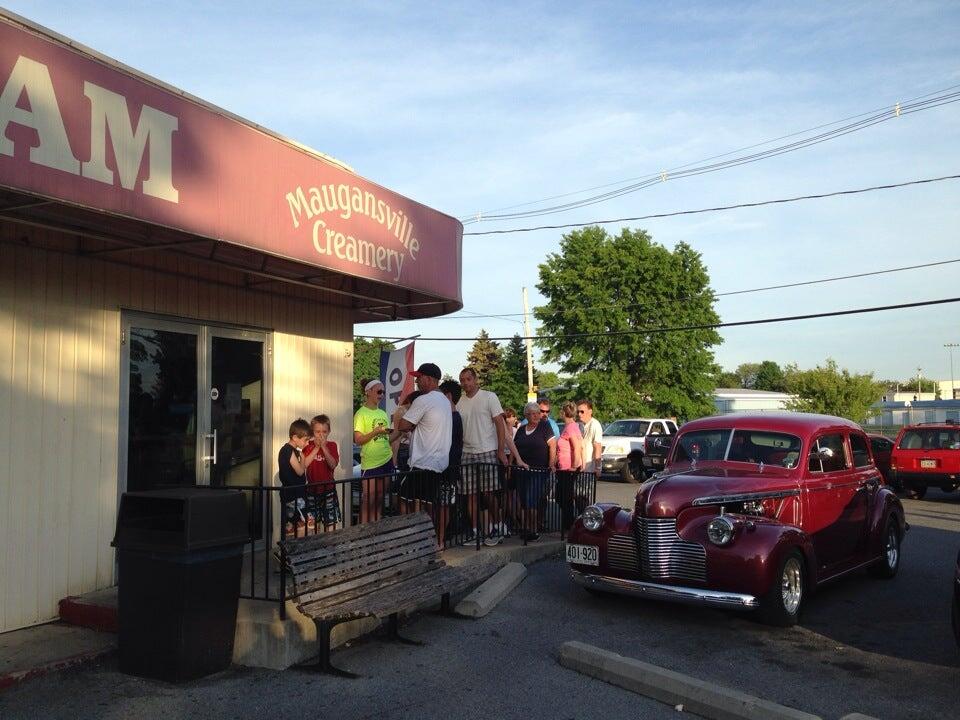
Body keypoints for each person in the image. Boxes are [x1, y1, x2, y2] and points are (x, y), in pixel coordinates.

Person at [456, 367, 524, 547]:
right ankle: (475, 531)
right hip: (467, 451)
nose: (465, 383)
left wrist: (500, 449)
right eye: (462, 380)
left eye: (468, 379)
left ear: (475, 379)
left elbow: (500, 425)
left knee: (488, 492)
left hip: (486, 449)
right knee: (469, 494)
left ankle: (497, 525)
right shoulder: (460, 402)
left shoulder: (489, 396)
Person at [390, 363, 454, 548]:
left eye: (419, 377)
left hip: (422, 462)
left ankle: (415, 541)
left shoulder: (424, 400)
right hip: (439, 462)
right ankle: (432, 542)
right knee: (429, 505)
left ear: (429, 379)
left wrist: (407, 416)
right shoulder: (444, 401)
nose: (417, 381)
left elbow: (402, 425)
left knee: (401, 497)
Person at [511, 402, 556, 542]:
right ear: (526, 415)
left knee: (532, 499)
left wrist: (551, 464)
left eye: (537, 413)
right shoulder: (521, 429)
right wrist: (511, 464)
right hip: (521, 470)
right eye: (532, 413)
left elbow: (552, 445)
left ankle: (533, 529)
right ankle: (526, 528)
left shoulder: (544, 426)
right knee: (523, 500)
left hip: (538, 470)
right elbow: (514, 447)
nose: (536, 416)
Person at [353, 379, 393, 524]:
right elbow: (358, 440)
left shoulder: (382, 413)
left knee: (380, 497)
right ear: (368, 392)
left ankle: (375, 528)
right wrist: (375, 432)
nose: (381, 395)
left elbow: (386, 438)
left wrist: (400, 433)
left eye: (383, 392)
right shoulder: (361, 413)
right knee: (368, 498)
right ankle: (362, 531)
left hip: (386, 459)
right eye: (378, 391)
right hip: (370, 463)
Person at [277, 418, 315, 537]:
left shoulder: (290, 450)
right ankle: (296, 552)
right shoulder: (288, 451)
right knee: (298, 527)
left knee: (298, 526)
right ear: (294, 437)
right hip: (293, 495)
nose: (307, 443)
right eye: (305, 440)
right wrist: (303, 458)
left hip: (295, 494)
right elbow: (299, 471)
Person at [304, 414, 341, 532]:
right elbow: (303, 464)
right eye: (317, 431)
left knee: (330, 524)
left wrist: (324, 448)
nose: (321, 435)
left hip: (328, 490)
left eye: (324, 431)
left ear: (329, 432)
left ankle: (329, 548)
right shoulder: (307, 446)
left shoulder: (332, 445)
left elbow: (333, 465)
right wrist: (316, 448)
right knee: (312, 525)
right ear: (312, 432)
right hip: (312, 490)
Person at [556, 401, 584, 533]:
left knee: (564, 498)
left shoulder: (571, 427)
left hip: (567, 469)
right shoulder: (573, 426)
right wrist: (582, 463)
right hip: (564, 468)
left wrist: (574, 465)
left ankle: (570, 525)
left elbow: (577, 446)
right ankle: (570, 523)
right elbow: (581, 445)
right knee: (562, 497)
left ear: (563, 413)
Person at [577, 400, 603, 477]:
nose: (579, 414)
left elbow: (597, 446)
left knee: (586, 489)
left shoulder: (595, 425)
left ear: (590, 411)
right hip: (579, 468)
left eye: (582, 412)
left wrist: (598, 467)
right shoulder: (579, 425)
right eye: (578, 412)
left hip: (589, 469)